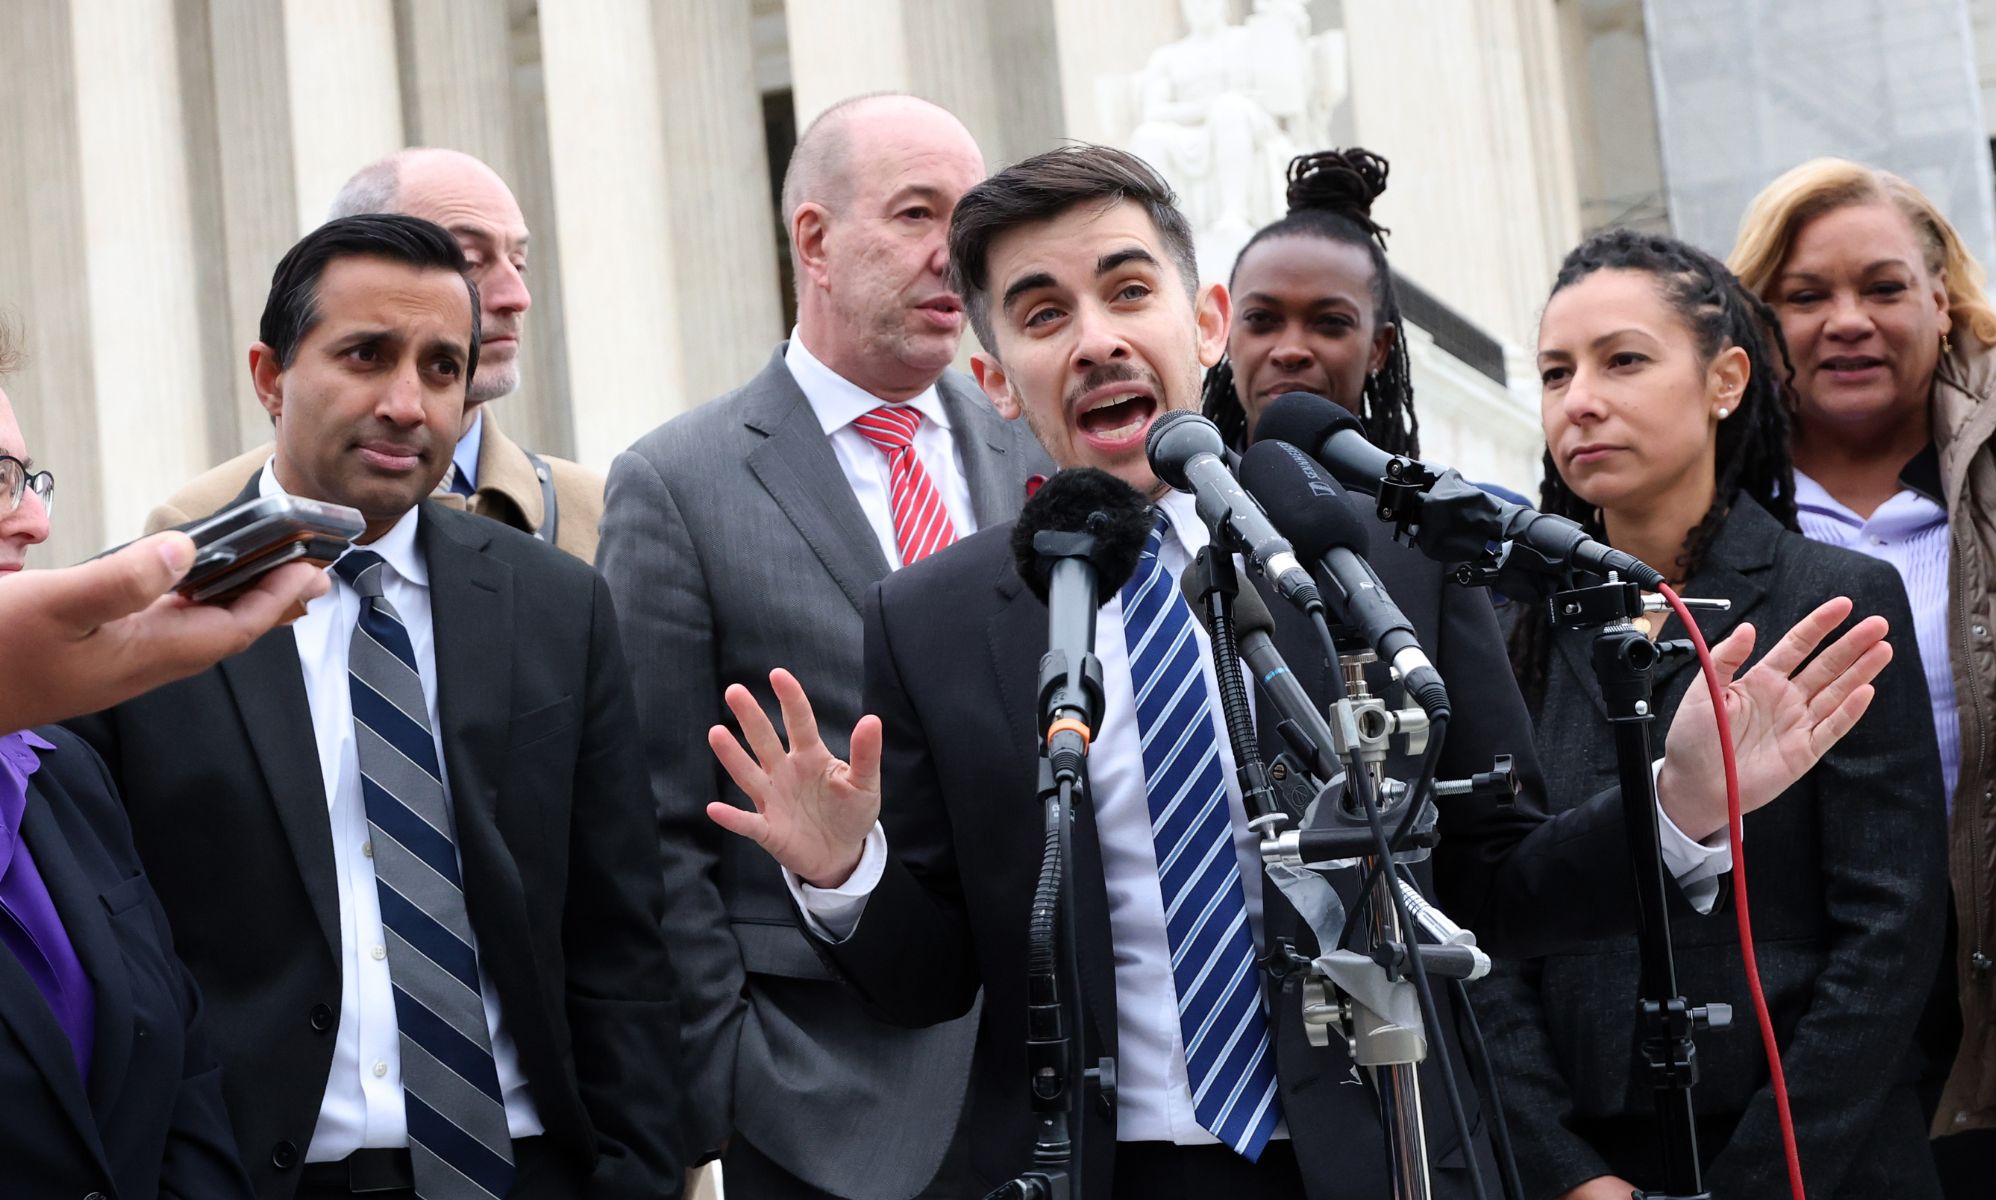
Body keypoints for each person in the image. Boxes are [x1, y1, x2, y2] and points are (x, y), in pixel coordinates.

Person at [703, 145, 1898, 1199]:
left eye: (1128, 291)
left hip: (1390, 1155)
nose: (1101, 337)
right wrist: (844, 870)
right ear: (993, 380)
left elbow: (1498, 893)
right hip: (1104, 1170)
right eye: (1042, 312)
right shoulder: (933, 619)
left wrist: (1677, 803)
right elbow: (932, 979)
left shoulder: (1375, 559)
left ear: (1207, 320)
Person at [67, 215, 681, 1200]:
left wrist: (634, 1175)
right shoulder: (138, 619)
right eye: (366, 355)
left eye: (443, 369)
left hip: (526, 1171)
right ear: (269, 375)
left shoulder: (557, 606)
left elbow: (621, 939)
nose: (408, 402)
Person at [597, 92, 1050, 1200]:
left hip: (1070, 1081)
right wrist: (733, 1074)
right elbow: (653, 825)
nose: (959, 252)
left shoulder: (1035, 447)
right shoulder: (677, 483)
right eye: (915, 214)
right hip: (829, 1108)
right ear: (814, 240)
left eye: (972, 216)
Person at [1480, 228, 1947, 1199]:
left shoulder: (1833, 597)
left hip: (1821, 1160)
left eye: (1623, 360)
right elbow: (1478, 928)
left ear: (1725, 379)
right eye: (1555, 373)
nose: (1581, 402)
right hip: (1580, 1164)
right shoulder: (1501, 625)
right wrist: (1566, 1174)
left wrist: (1760, 1183)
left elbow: (1890, 931)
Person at [1728, 160, 1996, 1195]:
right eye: (1805, 296)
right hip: (1808, 1017)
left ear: (1941, 299)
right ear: (1753, 322)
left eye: (1881, 289)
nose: (1847, 321)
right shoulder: (1711, 499)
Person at [0, 318, 255, 1197]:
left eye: (29, 479)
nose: (35, 521)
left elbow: (182, 1072)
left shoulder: (60, 767)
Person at [147, 148, 604, 562]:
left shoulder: (597, 514)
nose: (516, 296)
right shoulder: (198, 527)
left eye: (518, 263)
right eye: (466, 259)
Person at [1200, 147, 1417, 458]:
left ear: (1378, 348)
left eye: (1331, 323)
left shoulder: (1461, 506)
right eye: (1260, 319)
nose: (1291, 351)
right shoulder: (1170, 504)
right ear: (1227, 336)